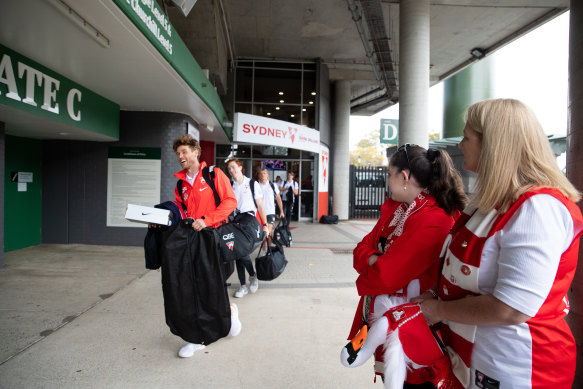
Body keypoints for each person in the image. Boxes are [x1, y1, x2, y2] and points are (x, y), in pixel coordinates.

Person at [418, 99, 583, 389]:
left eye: (467, 137)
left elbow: (512, 308)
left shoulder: (537, 208)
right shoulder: (495, 201)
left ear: (494, 145)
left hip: (518, 366)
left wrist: (439, 311)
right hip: (481, 358)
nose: (460, 144)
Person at [341, 144, 468, 387]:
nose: (388, 181)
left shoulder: (434, 217)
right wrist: (374, 259)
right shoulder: (399, 209)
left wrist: (375, 260)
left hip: (417, 330)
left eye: (390, 174)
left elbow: (384, 276)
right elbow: (361, 249)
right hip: (392, 317)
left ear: (404, 176)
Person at [171, 134, 242, 358]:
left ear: (195, 151)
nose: (180, 156)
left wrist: (207, 219)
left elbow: (230, 201)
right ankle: (198, 337)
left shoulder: (213, 174)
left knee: (212, 287)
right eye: (178, 153)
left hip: (213, 238)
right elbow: (180, 212)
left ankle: (227, 313)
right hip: (191, 242)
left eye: (184, 152)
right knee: (194, 288)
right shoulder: (180, 183)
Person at [226, 158, 269, 298]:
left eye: (233, 167)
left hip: (249, 221)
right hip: (236, 221)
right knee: (238, 253)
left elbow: (261, 206)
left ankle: (249, 279)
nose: (231, 170)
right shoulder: (230, 185)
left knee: (241, 252)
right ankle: (246, 282)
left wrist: (265, 225)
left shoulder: (252, 184)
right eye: (229, 169)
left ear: (240, 167)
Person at [257, 168, 285, 250]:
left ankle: (268, 251)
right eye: (261, 173)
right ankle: (264, 250)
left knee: (268, 232)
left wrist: (281, 211)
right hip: (259, 213)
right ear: (259, 175)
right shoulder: (256, 186)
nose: (263, 175)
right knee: (262, 233)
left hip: (270, 212)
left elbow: (279, 198)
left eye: (265, 173)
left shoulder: (273, 185)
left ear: (267, 175)